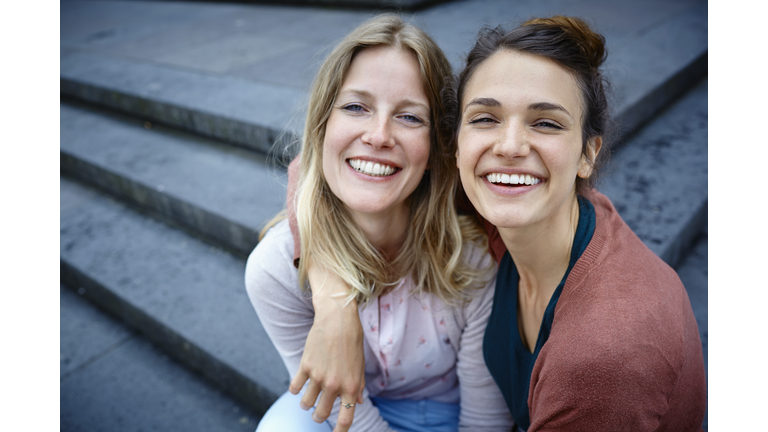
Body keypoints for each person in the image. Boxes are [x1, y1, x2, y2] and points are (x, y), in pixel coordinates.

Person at [284, 15, 708, 432]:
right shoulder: (491, 199)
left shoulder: (603, 357)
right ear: (454, 143)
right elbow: (314, 169)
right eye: (485, 118)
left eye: (546, 123)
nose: (509, 147)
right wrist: (333, 303)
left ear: (587, 154)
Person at [245, 13, 514, 432]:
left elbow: (485, 414)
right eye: (356, 107)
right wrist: (332, 302)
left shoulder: (471, 255)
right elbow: (341, 405)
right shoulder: (276, 269)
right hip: (354, 415)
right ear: (322, 126)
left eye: (410, 117)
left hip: (451, 413)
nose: (379, 135)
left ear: (436, 146)